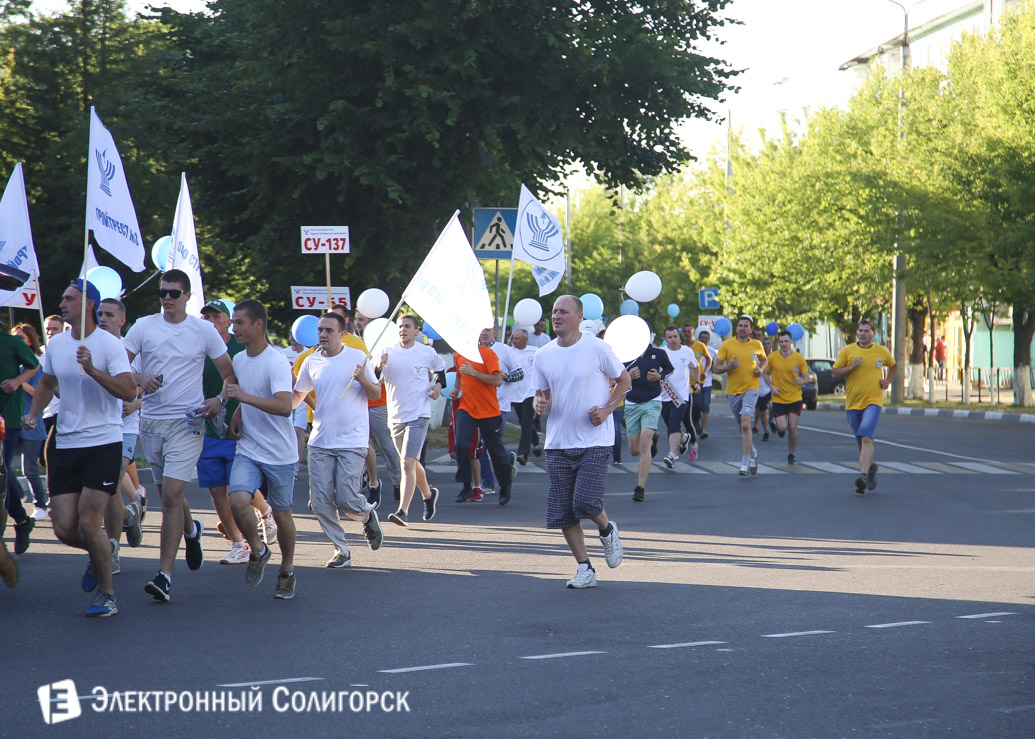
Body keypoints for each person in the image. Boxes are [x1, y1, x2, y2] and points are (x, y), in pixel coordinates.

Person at [23, 279, 136, 616]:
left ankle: (107, 594)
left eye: (69, 298)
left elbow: (128, 391)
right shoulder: (56, 344)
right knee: (63, 527)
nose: (62, 303)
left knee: (88, 520)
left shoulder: (109, 345)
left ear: (88, 304)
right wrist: (34, 413)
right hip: (66, 442)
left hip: (103, 442)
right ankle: (104, 549)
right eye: (63, 298)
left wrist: (92, 369)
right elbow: (47, 382)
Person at [124, 268, 236, 602]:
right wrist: (140, 379)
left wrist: (219, 400)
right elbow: (121, 367)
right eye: (163, 293)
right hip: (152, 423)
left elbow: (229, 374)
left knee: (172, 496)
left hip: (188, 422)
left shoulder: (204, 330)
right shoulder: (143, 326)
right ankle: (191, 529)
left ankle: (164, 576)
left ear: (187, 296)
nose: (168, 298)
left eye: (174, 293)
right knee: (169, 494)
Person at [532, 295, 629, 589]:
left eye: (563, 311)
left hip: (594, 439)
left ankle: (607, 530)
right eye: (554, 311)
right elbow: (542, 394)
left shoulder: (597, 348)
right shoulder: (543, 354)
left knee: (585, 502)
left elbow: (624, 381)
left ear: (578, 317)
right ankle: (585, 568)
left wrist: (607, 409)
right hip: (558, 441)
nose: (556, 316)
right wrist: (539, 403)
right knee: (564, 511)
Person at [293, 312, 384, 568]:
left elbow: (376, 394)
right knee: (320, 503)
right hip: (320, 441)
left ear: (342, 333)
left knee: (346, 499)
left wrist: (363, 379)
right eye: (320, 330)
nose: (323, 334)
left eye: (328, 330)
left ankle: (366, 515)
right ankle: (341, 550)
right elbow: (297, 396)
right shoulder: (310, 361)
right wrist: (275, 406)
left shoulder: (357, 357)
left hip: (352, 440)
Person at [224, 300, 299, 598]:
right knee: (237, 502)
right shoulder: (239, 359)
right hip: (249, 447)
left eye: (239, 322)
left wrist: (244, 398)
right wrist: (238, 412)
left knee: (282, 515)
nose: (234, 328)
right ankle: (258, 549)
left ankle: (287, 570)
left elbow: (284, 406)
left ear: (258, 324)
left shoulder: (276, 361)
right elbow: (250, 394)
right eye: (233, 322)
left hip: (280, 452)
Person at [197, 298, 277, 565]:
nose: (211, 321)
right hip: (207, 428)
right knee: (217, 490)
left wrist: (234, 408)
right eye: (207, 317)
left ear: (228, 321)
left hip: (237, 427)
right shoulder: (199, 347)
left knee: (238, 487)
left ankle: (265, 512)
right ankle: (239, 544)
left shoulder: (239, 347)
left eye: (216, 316)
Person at [378, 314, 445, 526]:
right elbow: (374, 380)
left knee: (407, 463)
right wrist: (378, 366)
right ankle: (429, 495)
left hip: (419, 414)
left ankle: (403, 511)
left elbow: (440, 372)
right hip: (396, 416)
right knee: (411, 463)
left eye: (407, 326)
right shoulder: (387, 351)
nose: (403, 330)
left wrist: (437, 387)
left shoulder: (426, 352)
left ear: (417, 331)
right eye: (400, 326)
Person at [96, 299, 145, 563]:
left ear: (122, 321)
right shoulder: (91, 348)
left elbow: (157, 388)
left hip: (126, 427)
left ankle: (111, 552)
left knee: (111, 484)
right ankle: (129, 516)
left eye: (109, 315)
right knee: (103, 490)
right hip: (98, 426)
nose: (103, 318)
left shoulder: (133, 352)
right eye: (100, 314)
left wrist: (137, 403)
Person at [450, 327, 515, 505]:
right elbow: (460, 376)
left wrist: (475, 373)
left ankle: (505, 485)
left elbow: (497, 380)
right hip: (467, 409)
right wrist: (456, 389)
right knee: (461, 445)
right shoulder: (459, 355)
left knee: (495, 450)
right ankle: (466, 487)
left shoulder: (488, 354)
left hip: (489, 411)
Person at [831, 318, 897, 494]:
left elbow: (894, 366)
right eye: (860, 330)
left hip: (873, 401)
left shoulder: (881, 351)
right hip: (853, 403)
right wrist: (852, 366)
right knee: (861, 441)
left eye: (866, 331)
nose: (862, 334)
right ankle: (871, 468)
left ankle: (863, 476)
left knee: (867, 438)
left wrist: (887, 381)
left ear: (873, 334)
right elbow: (835, 372)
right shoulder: (848, 350)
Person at [352, 308, 401, 508]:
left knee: (387, 446)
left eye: (362, 319)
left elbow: (386, 374)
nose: (358, 323)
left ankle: (398, 481)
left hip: (378, 404)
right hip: (357, 404)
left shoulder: (384, 342)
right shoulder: (351, 344)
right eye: (356, 319)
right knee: (360, 445)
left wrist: (380, 366)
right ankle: (364, 481)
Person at [1, 312, 41, 554]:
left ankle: (21, 520)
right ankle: (23, 520)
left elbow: (34, 365)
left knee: (1, 472)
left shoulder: (13, 342)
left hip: (7, 417)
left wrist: (17, 381)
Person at [712, 316, 767, 476]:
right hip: (733, 391)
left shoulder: (757, 344)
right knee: (742, 426)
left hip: (751, 388)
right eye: (740, 326)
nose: (742, 328)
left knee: (745, 423)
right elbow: (716, 368)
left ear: (750, 329)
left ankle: (744, 463)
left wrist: (761, 369)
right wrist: (729, 366)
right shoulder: (727, 345)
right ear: (736, 328)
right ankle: (753, 452)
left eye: (746, 326)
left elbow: (764, 360)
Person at [624, 341, 673, 501]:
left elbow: (669, 369)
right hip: (631, 403)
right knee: (634, 450)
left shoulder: (658, 353)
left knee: (644, 443)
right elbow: (615, 375)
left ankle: (640, 488)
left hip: (652, 401)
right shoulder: (625, 353)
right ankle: (653, 441)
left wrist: (660, 376)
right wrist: (628, 376)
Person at [11, 324, 48, 519]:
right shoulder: (10, 364)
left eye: (22, 338)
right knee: (3, 464)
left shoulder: (35, 365)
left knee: (30, 470)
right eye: (14, 337)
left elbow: (38, 393)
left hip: (31, 423)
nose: (17, 341)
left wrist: (19, 380)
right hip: (11, 422)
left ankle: (40, 505)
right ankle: (17, 493)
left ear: (31, 341)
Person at [764, 330, 811, 465]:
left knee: (792, 426)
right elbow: (765, 373)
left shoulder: (799, 358)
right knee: (782, 427)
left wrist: (802, 381)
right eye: (781, 342)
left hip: (795, 397)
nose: (784, 344)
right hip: (778, 397)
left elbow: (807, 378)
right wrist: (772, 387)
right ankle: (780, 429)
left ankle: (791, 453)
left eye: (786, 341)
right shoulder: (772, 357)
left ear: (791, 342)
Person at [659, 326, 700, 468]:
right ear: (665, 339)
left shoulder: (687, 351)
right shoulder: (661, 352)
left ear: (679, 337)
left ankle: (671, 454)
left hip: (681, 395)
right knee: (670, 424)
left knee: (675, 424)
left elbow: (695, 366)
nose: (673, 339)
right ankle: (683, 438)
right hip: (665, 395)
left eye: (675, 336)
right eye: (669, 337)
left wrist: (697, 382)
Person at [508, 328, 540, 465]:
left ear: (525, 340)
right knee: (523, 421)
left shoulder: (535, 351)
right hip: (515, 393)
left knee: (526, 421)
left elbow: (541, 370)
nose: (514, 341)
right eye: (513, 338)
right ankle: (535, 441)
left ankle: (523, 454)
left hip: (530, 392)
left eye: (517, 338)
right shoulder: (509, 352)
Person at [696, 328, 718, 438]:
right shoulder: (694, 348)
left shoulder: (712, 351)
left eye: (706, 338)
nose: (704, 339)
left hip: (707, 383)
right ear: (698, 338)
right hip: (695, 382)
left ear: (708, 339)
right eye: (702, 338)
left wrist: (713, 369)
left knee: (705, 407)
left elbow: (714, 367)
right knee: (696, 407)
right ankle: (696, 425)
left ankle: (703, 430)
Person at [754, 336, 774, 441]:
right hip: (760, 388)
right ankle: (766, 431)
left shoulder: (775, 357)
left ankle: (771, 420)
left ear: (772, 345)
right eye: (764, 344)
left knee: (772, 406)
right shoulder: (758, 357)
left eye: (768, 344)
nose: (766, 346)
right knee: (763, 412)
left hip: (772, 387)